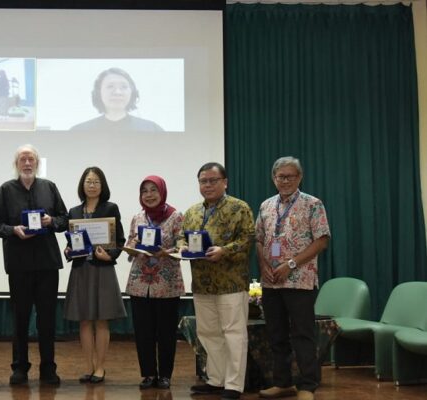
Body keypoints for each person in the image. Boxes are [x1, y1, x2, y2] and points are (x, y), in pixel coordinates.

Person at [0, 144, 68, 386]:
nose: (27, 163)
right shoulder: (6, 189)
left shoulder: (49, 187)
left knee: (47, 319)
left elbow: (65, 219)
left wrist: (50, 221)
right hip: (19, 265)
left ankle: (48, 368)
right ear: (16, 164)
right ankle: (20, 368)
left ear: (37, 163)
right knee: (20, 319)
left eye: (31, 159)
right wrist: (14, 230)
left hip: (47, 264)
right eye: (22, 159)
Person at [255, 157, 330, 400]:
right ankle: (282, 383)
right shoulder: (266, 205)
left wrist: (291, 263)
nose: (285, 180)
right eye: (280, 176)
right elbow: (258, 239)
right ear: (273, 178)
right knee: (276, 335)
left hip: (300, 280)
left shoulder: (313, 204)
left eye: (290, 176)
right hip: (271, 281)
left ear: (299, 178)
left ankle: (307, 385)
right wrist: (264, 264)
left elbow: (322, 240)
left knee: (302, 335)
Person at [178, 162, 254, 400]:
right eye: (203, 181)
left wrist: (225, 250)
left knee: (233, 333)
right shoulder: (192, 212)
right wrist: (181, 246)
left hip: (230, 283)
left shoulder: (239, 208)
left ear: (225, 182)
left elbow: (248, 239)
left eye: (212, 180)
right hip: (202, 283)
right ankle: (215, 379)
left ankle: (233, 385)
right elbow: (183, 236)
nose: (207, 185)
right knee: (208, 333)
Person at [62, 167, 127, 385]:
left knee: (101, 321)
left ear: (103, 185)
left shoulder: (111, 208)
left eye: (96, 182)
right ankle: (88, 366)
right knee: (84, 321)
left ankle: (100, 367)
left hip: (102, 270)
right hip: (81, 270)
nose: (92, 185)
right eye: (88, 181)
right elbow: (72, 242)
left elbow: (120, 241)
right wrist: (68, 251)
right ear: (82, 185)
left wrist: (110, 256)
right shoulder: (73, 211)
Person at [124, 175, 185, 390]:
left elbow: (182, 245)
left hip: (166, 283)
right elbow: (130, 241)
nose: (149, 195)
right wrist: (134, 245)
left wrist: (165, 252)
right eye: (144, 191)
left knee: (167, 332)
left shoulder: (175, 216)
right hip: (140, 283)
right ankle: (148, 374)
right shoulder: (137, 217)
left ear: (162, 192)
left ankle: (165, 375)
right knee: (143, 332)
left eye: (153, 190)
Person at [70, 67, 163, 132]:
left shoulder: (152, 129)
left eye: (124, 87)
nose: (118, 92)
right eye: (110, 86)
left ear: (133, 93)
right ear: (98, 93)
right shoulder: (78, 131)